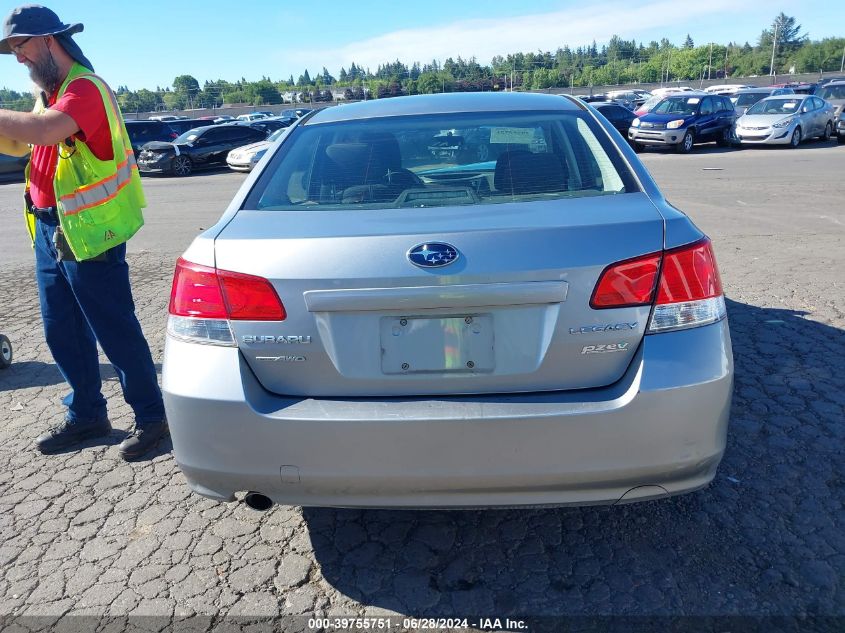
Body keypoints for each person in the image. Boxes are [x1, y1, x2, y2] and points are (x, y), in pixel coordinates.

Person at [0, 5, 167, 459]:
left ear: (50, 40)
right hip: (51, 229)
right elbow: (24, 139)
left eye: (22, 47)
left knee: (114, 329)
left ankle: (154, 418)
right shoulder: (49, 93)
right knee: (62, 330)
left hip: (89, 231)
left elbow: (47, 131)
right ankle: (88, 415)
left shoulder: (85, 89)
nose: (18, 59)